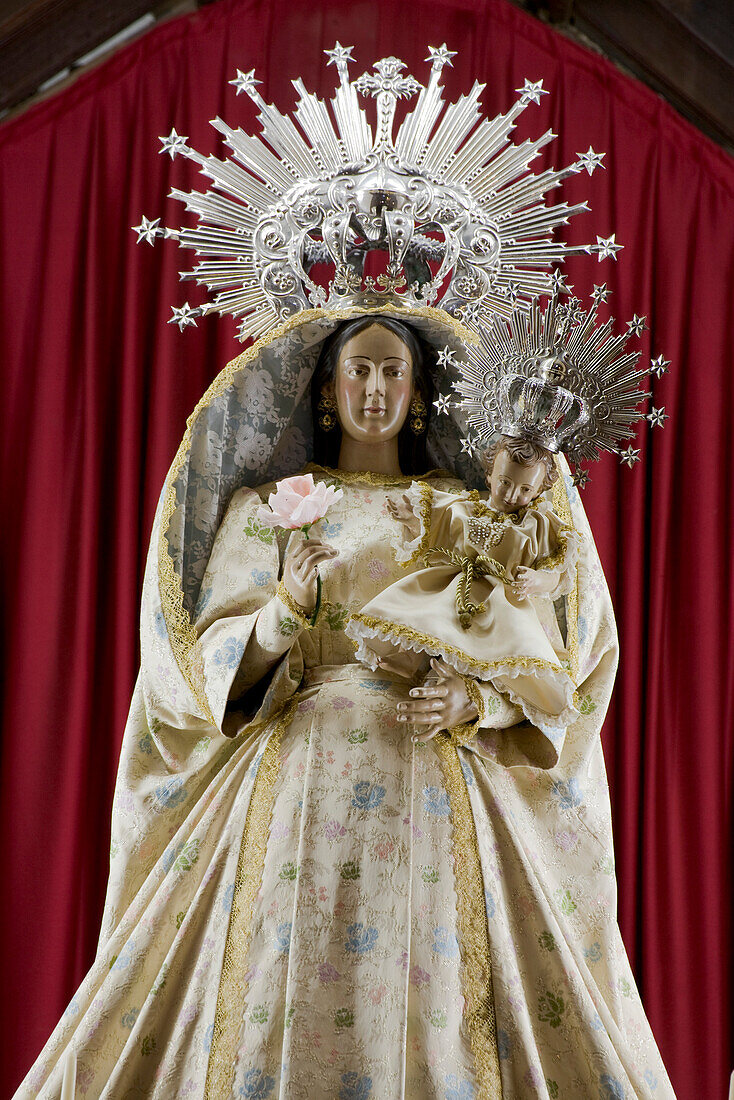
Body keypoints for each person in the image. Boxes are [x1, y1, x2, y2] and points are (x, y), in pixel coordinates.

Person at [16, 313, 674, 1099]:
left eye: (393, 371)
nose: (375, 388)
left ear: (422, 391)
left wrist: (472, 697)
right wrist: (284, 610)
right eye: (358, 370)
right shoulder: (271, 508)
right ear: (326, 389)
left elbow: (543, 657)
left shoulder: (469, 511)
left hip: (438, 786)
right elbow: (202, 667)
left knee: (439, 981)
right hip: (298, 780)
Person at [347, 434, 581, 756]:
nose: (512, 495)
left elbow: (556, 572)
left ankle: (458, 695)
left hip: (501, 606)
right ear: (489, 475)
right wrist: (410, 518)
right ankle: (428, 680)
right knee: (434, 633)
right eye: (505, 483)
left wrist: (537, 579)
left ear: (539, 490)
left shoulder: (537, 527)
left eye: (525, 489)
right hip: (452, 588)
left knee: (494, 654)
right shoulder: (465, 508)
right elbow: (435, 522)